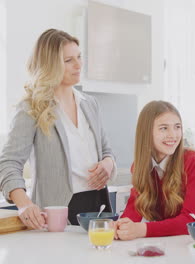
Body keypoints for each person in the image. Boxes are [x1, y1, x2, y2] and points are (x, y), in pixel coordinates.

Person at [0, 29, 116, 227]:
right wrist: (25, 205)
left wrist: (108, 164)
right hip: (56, 211)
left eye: (79, 57)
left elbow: (107, 150)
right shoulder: (31, 108)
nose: (78, 65)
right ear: (50, 64)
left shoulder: (90, 104)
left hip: (98, 206)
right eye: (68, 60)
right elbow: (8, 164)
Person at [115, 101, 195, 240]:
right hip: (170, 241)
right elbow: (134, 210)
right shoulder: (139, 167)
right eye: (164, 128)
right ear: (147, 133)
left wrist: (142, 230)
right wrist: (120, 226)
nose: (173, 135)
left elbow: (190, 220)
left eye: (177, 127)